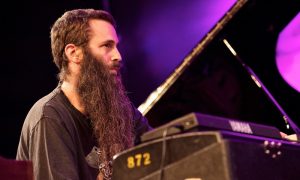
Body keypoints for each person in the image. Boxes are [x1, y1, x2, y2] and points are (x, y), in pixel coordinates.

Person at [16, 9, 152, 180]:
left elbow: (161, 152)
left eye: (116, 46)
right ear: (74, 53)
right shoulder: (49, 117)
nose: (118, 56)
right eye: (106, 46)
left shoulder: (120, 109)